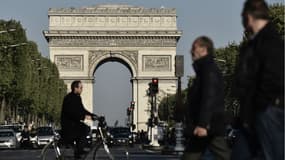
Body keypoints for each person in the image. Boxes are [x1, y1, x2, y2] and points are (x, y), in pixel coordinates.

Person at [232, 0, 284, 160]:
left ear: (248, 16)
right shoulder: (258, 43)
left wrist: (259, 104)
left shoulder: (270, 43)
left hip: (265, 113)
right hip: (252, 113)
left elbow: (274, 79)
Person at [182, 36, 231, 160]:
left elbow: (209, 97)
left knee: (224, 155)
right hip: (205, 125)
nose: (191, 51)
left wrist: (203, 124)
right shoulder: (204, 70)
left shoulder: (208, 71)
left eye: (194, 48)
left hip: (208, 125)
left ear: (204, 49)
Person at [60, 80, 95, 158]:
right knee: (85, 128)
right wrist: (84, 116)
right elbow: (72, 113)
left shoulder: (77, 97)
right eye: (81, 87)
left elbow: (82, 110)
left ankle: (77, 151)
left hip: (73, 123)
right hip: (68, 125)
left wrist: (93, 116)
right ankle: (79, 151)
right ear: (75, 88)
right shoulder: (69, 98)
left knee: (84, 128)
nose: (82, 89)